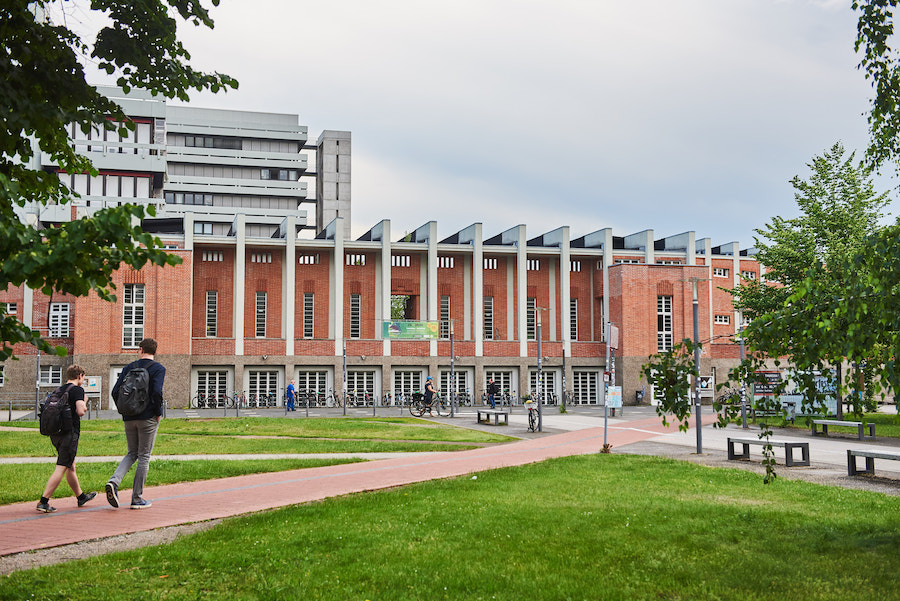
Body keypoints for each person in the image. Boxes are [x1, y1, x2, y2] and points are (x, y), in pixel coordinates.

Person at [106, 338, 166, 510]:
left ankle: (114, 481)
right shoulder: (158, 368)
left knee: (132, 453)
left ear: (140, 350)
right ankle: (137, 498)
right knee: (144, 456)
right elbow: (156, 392)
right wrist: (158, 413)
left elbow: (115, 391)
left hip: (129, 417)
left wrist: (124, 410)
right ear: (155, 351)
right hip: (147, 418)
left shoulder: (129, 367)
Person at [36, 365, 97, 513]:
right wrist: (85, 401)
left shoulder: (60, 389)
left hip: (55, 433)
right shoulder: (77, 390)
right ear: (80, 376)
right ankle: (43, 501)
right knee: (62, 466)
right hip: (69, 434)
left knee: (70, 465)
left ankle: (81, 497)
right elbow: (80, 411)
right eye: (83, 377)